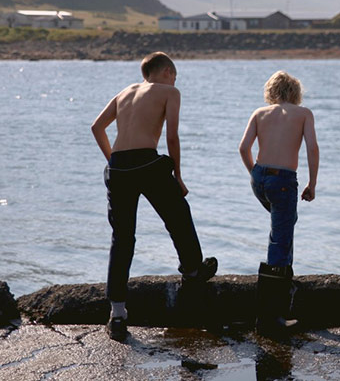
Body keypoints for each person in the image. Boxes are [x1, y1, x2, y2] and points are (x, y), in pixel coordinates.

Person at [91, 52, 218, 342]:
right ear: (167, 72)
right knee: (178, 215)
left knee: (122, 238)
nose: (174, 80)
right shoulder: (169, 91)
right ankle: (192, 270)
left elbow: (96, 127)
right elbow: (172, 137)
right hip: (146, 162)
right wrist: (178, 175)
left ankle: (117, 314)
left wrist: (113, 161)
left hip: (118, 167)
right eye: (174, 76)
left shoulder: (124, 92)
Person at [238, 70, 319, 334]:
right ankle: (270, 317)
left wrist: (254, 174)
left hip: (260, 177)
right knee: (280, 238)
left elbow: (243, 148)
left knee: (284, 224)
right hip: (283, 179)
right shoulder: (303, 113)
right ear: (295, 92)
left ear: (271, 92)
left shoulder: (259, 113)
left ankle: (285, 282)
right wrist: (312, 183)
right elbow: (312, 148)